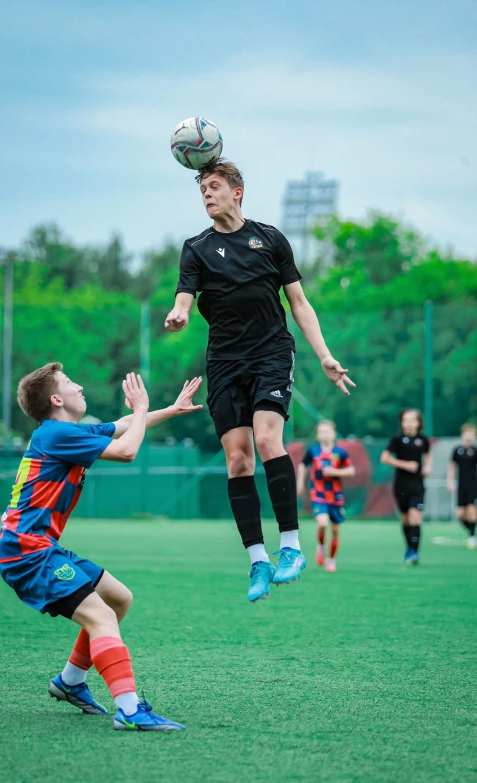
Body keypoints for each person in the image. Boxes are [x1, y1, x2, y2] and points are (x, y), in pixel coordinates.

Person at [165, 159, 355, 603]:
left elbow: (300, 303)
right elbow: (184, 296)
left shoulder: (270, 239)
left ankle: (290, 548)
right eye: (203, 190)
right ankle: (257, 559)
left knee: (269, 440)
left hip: (271, 352)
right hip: (225, 362)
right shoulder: (196, 247)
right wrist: (178, 314)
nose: (208, 195)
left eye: (215, 187)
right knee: (237, 461)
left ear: (238, 192)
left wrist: (325, 355)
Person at [0, 362, 203, 731]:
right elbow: (126, 450)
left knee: (118, 599)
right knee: (101, 617)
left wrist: (168, 410)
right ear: (57, 399)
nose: (79, 385)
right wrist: (140, 409)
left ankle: (70, 682)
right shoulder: (57, 434)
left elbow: (122, 427)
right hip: (27, 551)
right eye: (70, 383)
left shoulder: (63, 432)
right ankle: (129, 711)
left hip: (37, 546)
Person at [297, 420, 355, 572]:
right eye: (321, 432)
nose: (325, 435)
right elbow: (302, 465)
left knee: (335, 531)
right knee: (322, 523)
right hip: (318, 493)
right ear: (317, 435)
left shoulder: (340, 453)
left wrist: (334, 472)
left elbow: (351, 471)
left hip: (335, 496)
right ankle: (321, 546)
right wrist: (300, 484)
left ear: (334, 434)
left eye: (327, 432)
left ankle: (331, 560)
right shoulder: (313, 451)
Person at [380, 409, 432, 565]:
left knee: (415, 517)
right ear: (402, 423)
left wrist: (428, 467)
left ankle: (415, 552)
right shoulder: (397, 439)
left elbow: (428, 454)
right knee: (405, 520)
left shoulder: (423, 440)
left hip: (417, 485)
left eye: (412, 420)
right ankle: (409, 548)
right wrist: (405, 464)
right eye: (406, 420)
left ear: (418, 423)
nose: (409, 423)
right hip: (401, 485)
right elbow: (384, 458)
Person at [447, 423, 477, 549]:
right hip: (461, 486)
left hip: (474, 486)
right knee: (460, 515)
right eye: (467, 433)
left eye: (472, 434)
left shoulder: (475, 451)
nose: (469, 436)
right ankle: (470, 529)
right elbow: (452, 466)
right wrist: (449, 481)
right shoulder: (457, 450)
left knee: (472, 510)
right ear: (463, 435)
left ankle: (471, 536)